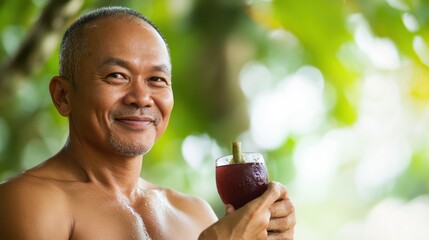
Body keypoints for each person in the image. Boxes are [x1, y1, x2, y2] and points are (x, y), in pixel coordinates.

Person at [0, 6, 295, 240]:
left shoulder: (193, 213)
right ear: (63, 96)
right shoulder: (27, 203)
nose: (141, 97)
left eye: (157, 80)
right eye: (117, 76)